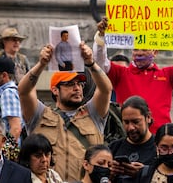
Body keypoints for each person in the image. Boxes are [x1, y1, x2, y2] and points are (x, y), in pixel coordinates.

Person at [18, 42, 112, 182]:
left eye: (79, 84)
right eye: (70, 84)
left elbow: (106, 89)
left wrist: (91, 63)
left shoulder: (93, 113)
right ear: (55, 90)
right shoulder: (39, 115)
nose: (77, 88)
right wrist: (42, 64)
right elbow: (23, 91)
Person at [93, 17, 173, 133]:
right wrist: (101, 36)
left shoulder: (167, 75)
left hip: (161, 139)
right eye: (136, 49)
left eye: (144, 49)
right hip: (129, 135)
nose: (139, 53)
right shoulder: (121, 74)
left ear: (155, 52)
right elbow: (100, 62)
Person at [109, 96, 156, 182]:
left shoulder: (160, 146)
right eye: (126, 122)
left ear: (148, 118)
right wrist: (110, 174)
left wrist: (144, 173)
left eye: (136, 122)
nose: (130, 127)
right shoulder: (113, 147)